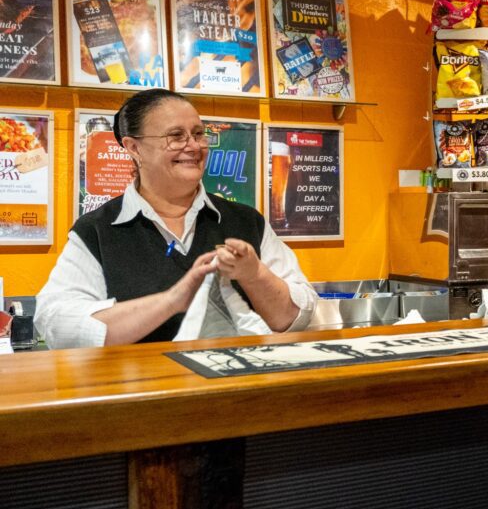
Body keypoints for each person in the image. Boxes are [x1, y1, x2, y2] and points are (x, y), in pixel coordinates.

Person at [36, 89, 317, 349]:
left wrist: (255, 276)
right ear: (134, 148)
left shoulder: (246, 222)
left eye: (198, 133)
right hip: (147, 398)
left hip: (239, 394)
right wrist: (171, 301)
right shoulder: (97, 230)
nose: (193, 146)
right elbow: (57, 326)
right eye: (176, 136)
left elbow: (297, 318)